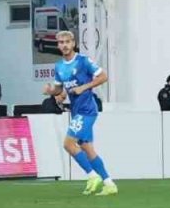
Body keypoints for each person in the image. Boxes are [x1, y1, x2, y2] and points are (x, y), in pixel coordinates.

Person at [44, 30, 117, 196]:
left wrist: (84, 87)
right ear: (58, 45)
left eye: (67, 42)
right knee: (87, 148)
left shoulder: (83, 61)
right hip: (77, 110)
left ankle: (92, 176)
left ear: (73, 43)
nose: (64, 45)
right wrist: (53, 92)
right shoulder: (59, 67)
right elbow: (59, 89)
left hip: (87, 110)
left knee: (68, 144)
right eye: (61, 42)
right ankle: (109, 183)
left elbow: (103, 76)